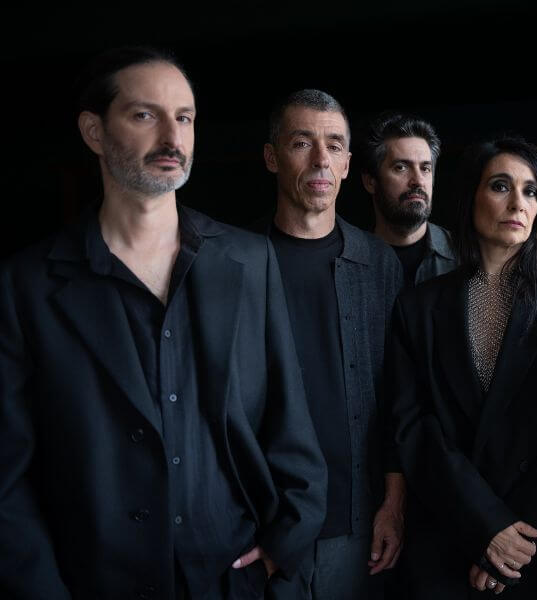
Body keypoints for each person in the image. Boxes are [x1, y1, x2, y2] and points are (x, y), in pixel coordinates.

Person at [0, 47, 326, 599]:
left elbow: (290, 419)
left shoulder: (251, 261)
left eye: (185, 117)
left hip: (237, 581)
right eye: (144, 115)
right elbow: (8, 480)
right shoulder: (25, 286)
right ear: (94, 131)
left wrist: (286, 540)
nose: (173, 138)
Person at [389, 137, 537, 599]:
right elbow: (414, 428)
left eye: (531, 191)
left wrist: (513, 544)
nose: (518, 202)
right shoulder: (418, 307)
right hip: (455, 538)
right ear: (470, 197)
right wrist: (486, 527)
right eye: (500, 186)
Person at [259, 89, 405, 599]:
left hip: (358, 523)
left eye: (335, 145)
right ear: (272, 157)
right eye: (302, 142)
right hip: (265, 520)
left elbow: (399, 397)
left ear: (346, 164)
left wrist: (394, 503)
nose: (321, 159)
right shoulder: (236, 261)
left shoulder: (378, 263)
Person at [361, 113, 457, 286]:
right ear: (370, 182)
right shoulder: (349, 261)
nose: (418, 181)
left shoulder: (464, 257)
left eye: (425, 168)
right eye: (401, 167)